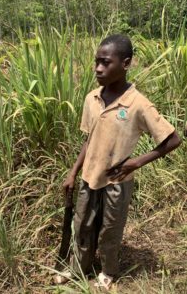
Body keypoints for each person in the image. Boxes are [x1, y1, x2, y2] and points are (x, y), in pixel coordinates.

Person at [54, 34, 181, 290]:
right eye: (96, 62)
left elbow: (173, 139)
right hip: (89, 177)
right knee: (82, 225)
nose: (98, 68)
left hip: (117, 182)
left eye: (106, 62)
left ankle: (109, 271)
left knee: (110, 230)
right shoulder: (92, 98)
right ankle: (80, 266)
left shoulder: (137, 104)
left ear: (125, 63)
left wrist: (136, 162)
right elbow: (89, 139)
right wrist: (73, 172)